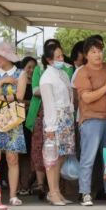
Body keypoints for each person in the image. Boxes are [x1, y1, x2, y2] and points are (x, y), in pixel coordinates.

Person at [74, 36, 106, 206]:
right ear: (86, 55)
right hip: (91, 119)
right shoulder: (82, 72)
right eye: (93, 52)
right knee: (88, 157)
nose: (98, 55)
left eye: (100, 51)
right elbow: (86, 98)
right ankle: (84, 192)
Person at [0, 42, 28, 206]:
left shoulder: (21, 74)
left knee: (12, 157)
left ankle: (13, 194)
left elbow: (20, 96)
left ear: (8, 57)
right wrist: (2, 83)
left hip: (13, 119)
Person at [30, 39, 74, 200]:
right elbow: (48, 105)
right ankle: (53, 191)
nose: (61, 59)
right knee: (52, 157)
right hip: (55, 120)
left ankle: (55, 191)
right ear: (49, 60)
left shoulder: (62, 74)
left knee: (61, 156)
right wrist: (49, 128)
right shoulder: (46, 77)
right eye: (58, 57)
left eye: (62, 55)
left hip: (66, 120)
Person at [18, 56, 37, 196]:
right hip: (21, 121)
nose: (31, 70)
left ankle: (33, 183)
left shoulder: (38, 83)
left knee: (34, 154)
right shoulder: (20, 83)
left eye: (34, 67)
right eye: (29, 67)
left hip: (35, 122)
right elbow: (19, 101)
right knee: (22, 156)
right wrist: (31, 104)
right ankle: (23, 185)